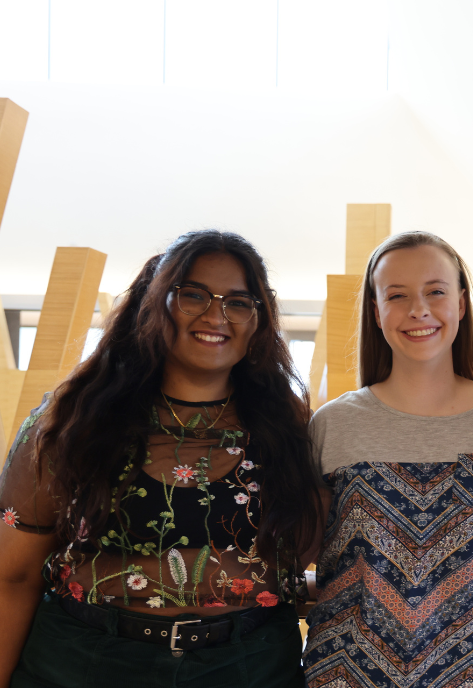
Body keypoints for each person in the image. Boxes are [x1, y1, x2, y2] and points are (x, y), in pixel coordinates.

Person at [0, 230, 324, 688]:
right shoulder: (72, 419)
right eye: (192, 295)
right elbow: (11, 577)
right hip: (83, 663)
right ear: (151, 302)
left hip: (247, 666)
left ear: (258, 320)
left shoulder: (293, 427)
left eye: (238, 301)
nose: (216, 314)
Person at [302, 231, 473, 688]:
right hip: (343, 675)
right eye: (397, 295)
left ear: (461, 303)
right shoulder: (333, 423)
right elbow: (305, 548)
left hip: (467, 674)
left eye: (435, 292)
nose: (418, 310)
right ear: (376, 310)